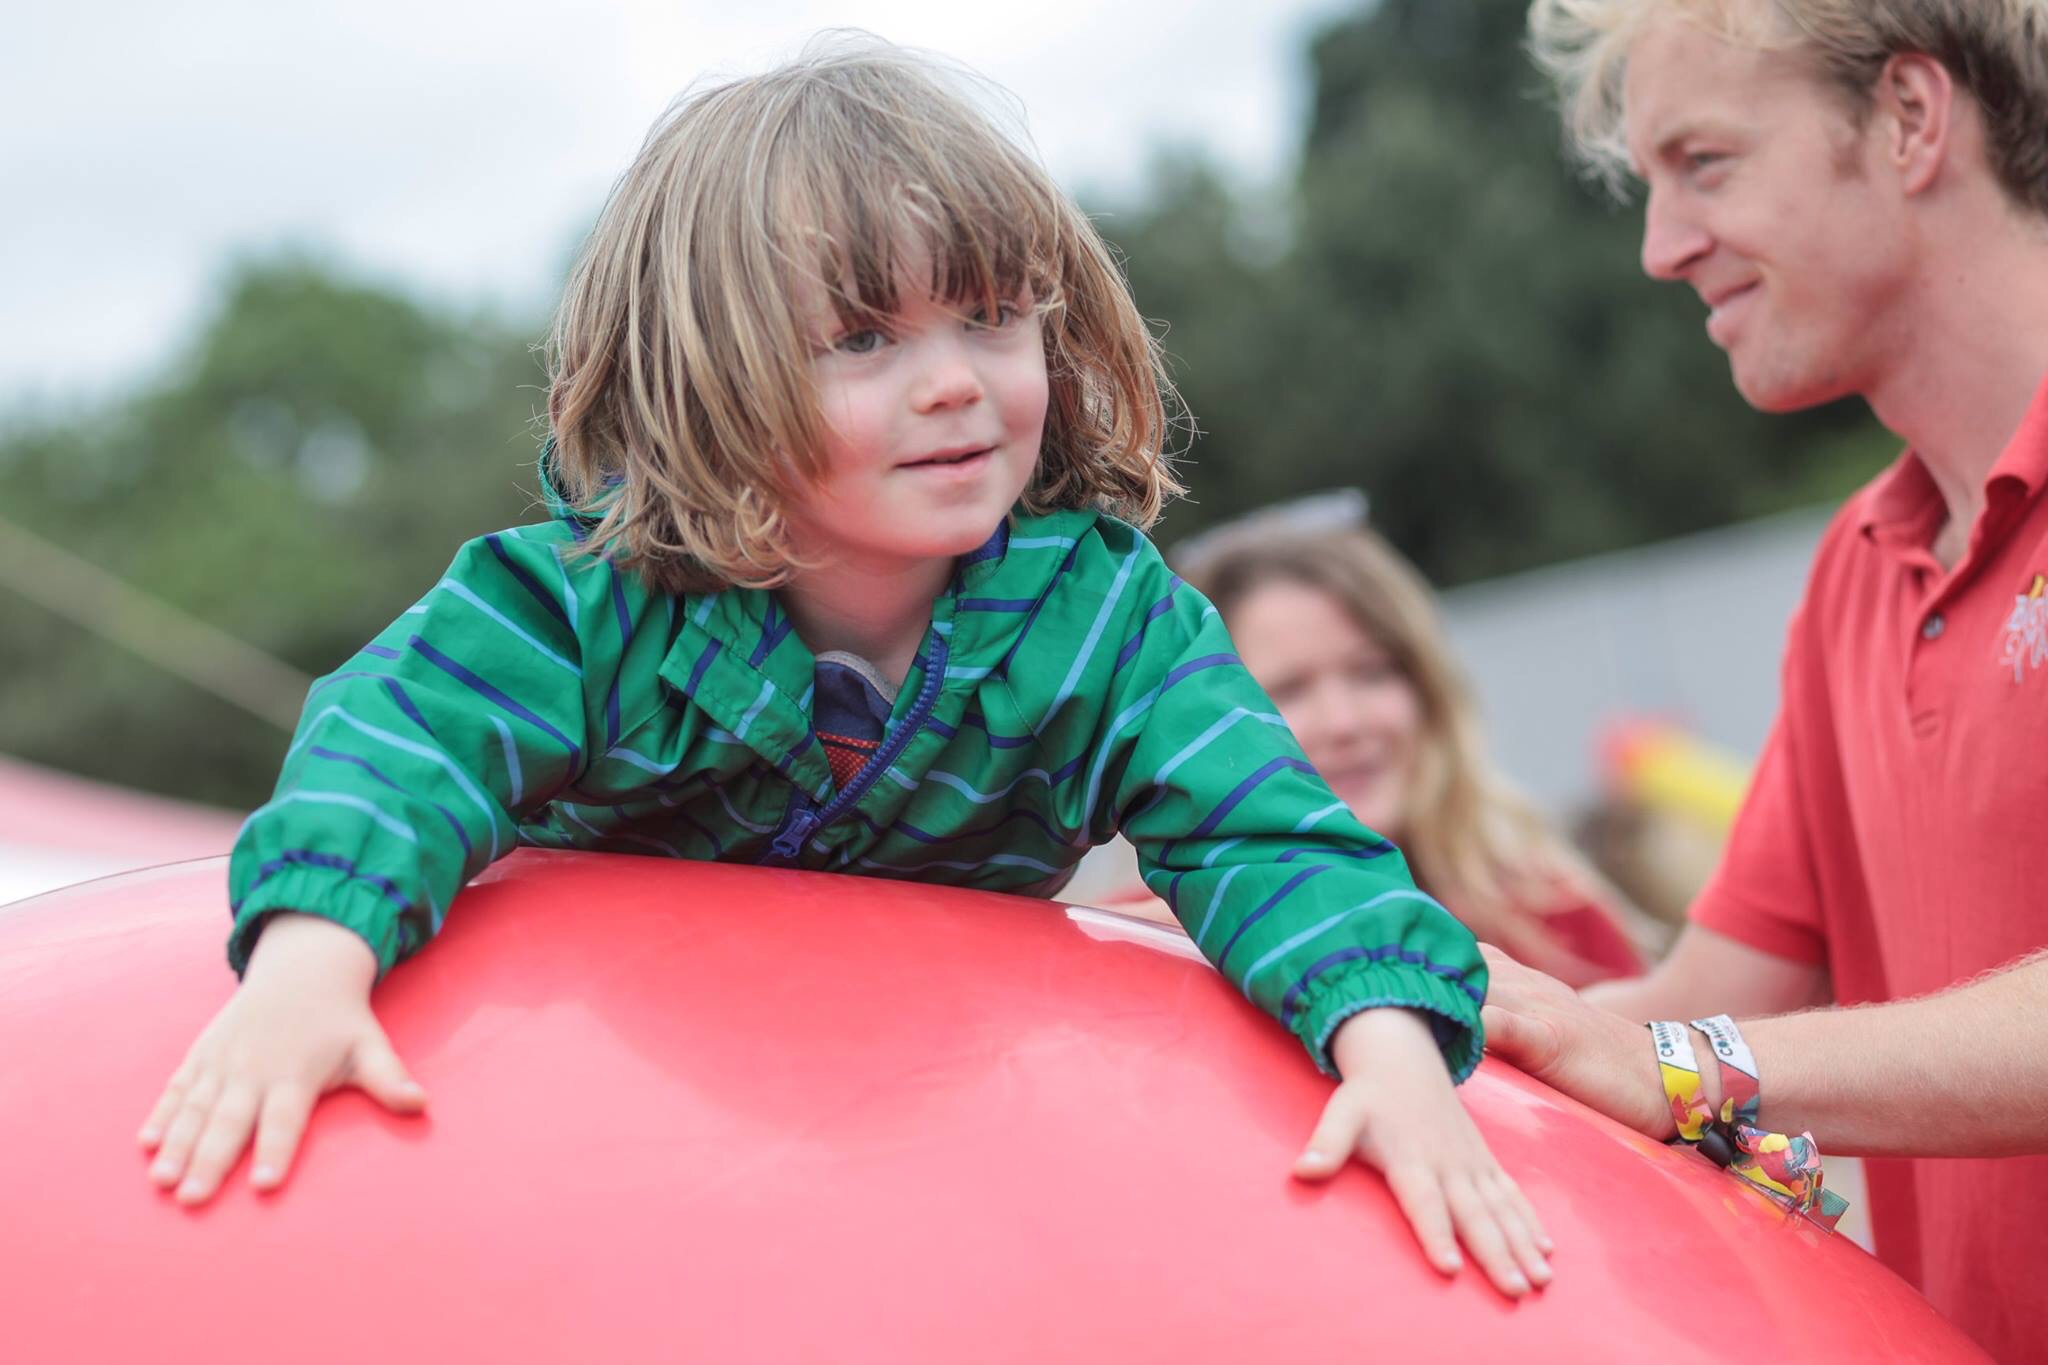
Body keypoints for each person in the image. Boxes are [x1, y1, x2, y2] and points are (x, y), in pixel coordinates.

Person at [136, 39, 1552, 1297]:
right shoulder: (586, 605)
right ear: (710, 381)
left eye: (992, 318)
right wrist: (310, 967)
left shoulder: (1107, 628)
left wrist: (1385, 1044)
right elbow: (405, 741)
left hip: (929, 1142)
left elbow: (1263, 830)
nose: (953, 380)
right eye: (864, 339)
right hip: (612, 1126)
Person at [1497, 0, 2048, 1354]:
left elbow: (1686, 1051)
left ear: (1910, 119)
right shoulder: (1858, 572)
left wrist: (1687, 1068)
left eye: (1705, 162)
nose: (1660, 247)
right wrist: (1333, 957)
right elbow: (1693, 1009)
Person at [1170, 506, 1647, 987]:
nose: (1344, 722)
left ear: (1428, 687)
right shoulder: (1163, 944)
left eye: (1372, 672)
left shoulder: (1550, 914)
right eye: (1287, 690)